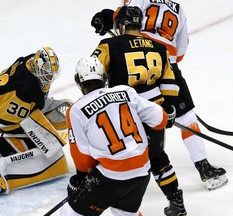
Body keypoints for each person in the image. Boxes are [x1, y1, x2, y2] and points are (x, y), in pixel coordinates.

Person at [90, 0, 228, 191]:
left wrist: (106, 16)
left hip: (133, 61)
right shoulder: (178, 8)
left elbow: (126, 17)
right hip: (166, 65)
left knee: (122, 114)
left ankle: (118, 171)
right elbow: (180, 51)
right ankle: (204, 168)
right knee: (187, 118)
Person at [90, 6, 187, 216]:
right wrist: (168, 108)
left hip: (124, 114)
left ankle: (117, 206)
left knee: (116, 157)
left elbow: (91, 71)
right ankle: (177, 203)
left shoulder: (109, 45)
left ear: (121, 25)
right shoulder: (158, 48)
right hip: (154, 112)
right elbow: (170, 82)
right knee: (157, 158)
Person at [60, 56, 171, 216]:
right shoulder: (126, 91)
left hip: (112, 177)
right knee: (124, 213)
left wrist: (81, 179)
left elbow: (83, 159)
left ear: (79, 81)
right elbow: (161, 119)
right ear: (104, 77)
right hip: (142, 172)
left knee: (69, 213)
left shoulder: (76, 110)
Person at [0, 46, 71, 194]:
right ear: (37, 66)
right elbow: (3, 121)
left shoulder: (30, 61)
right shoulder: (25, 89)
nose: (49, 78)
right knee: (30, 154)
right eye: (45, 73)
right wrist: (28, 133)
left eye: (51, 74)